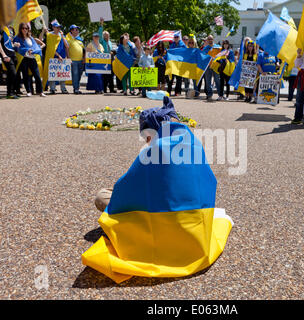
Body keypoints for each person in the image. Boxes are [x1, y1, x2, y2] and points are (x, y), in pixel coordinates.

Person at [86, 96, 233, 285]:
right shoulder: (192, 143)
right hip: (195, 228)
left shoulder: (152, 152)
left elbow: (129, 189)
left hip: (161, 229)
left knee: (103, 197)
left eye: (145, 137)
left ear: (150, 132)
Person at [13, 23, 46, 97]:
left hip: (32, 58)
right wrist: (16, 45)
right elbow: (15, 46)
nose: (25, 30)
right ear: (20, 29)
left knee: (37, 75)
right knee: (25, 75)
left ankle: (40, 91)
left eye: (26, 28)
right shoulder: (17, 38)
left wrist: (34, 50)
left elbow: (36, 47)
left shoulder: (31, 38)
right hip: (23, 59)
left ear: (28, 29)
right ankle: (28, 91)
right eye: (23, 28)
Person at [0, 19, 20, 98]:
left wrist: (14, 44)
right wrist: (3, 55)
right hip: (5, 54)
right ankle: (10, 92)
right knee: (13, 72)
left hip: (12, 53)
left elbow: (9, 42)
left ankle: (10, 92)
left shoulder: (9, 28)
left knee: (11, 74)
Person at [41, 21, 70, 94]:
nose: (58, 28)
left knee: (62, 74)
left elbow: (67, 46)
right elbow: (50, 48)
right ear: (53, 27)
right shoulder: (50, 35)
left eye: (59, 27)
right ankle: (52, 88)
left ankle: (63, 89)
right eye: (57, 27)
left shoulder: (61, 35)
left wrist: (63, 36)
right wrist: (58, 55)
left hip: (62, 57)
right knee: (52, 74)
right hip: (53, 56)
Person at [67, 24, 85, 95]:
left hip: (80, 60)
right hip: (73, 60)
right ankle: (76, 89)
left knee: (80, 75)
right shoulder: (68, 39)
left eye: (78, 29)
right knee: (75, 75)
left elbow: (83, 50)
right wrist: (69, 58)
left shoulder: (80, 39)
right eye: (76, 29)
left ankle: (77, 87)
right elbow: (67, 49)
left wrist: (84, 58)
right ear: (71, 31)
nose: (77, 31)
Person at [202, 35, 221, 101]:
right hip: (208, 67)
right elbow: (203, 57)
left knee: (217, 80)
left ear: (213, 39)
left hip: (216, 67)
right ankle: (209, 95)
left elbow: (222, 55)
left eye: (211, 39)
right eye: (209, 39)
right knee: (208, 81)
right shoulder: (205, 48)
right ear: (207, 40)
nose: (210, 40)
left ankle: (220, 95)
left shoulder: (218, 47)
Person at [98, 18, 115, 93]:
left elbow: (111, 49)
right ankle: (104, 88)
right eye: (106, 36)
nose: (107, 37)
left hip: (111, 58)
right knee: (105, 74)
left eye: (108, 35)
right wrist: (101, 24)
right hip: (104, 59)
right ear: (103, 36)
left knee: (111, 74)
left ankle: (111, 88)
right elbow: (99, 34)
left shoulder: (110, 42)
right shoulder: (102, 41)